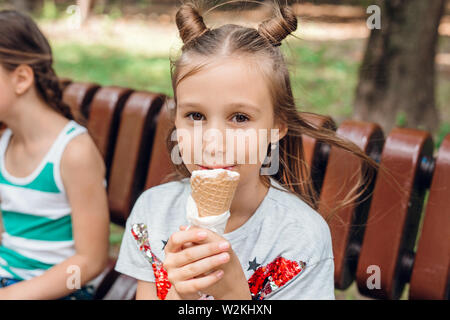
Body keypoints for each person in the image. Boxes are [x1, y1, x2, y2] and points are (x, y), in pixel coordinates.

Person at [115, 2, 380, 300]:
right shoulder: (153, 212)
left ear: (278, 125)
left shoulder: (299, 238)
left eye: (240, 118)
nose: (213, 142)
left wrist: (233, 294)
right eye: (195, 116)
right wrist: (181, 295)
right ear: (175, 119)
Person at [0, 10, 109, 299]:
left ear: (21, 78)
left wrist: (13, 295)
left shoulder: (74, 153)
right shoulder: (4, 141)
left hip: (61, 289)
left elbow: (91, 261)